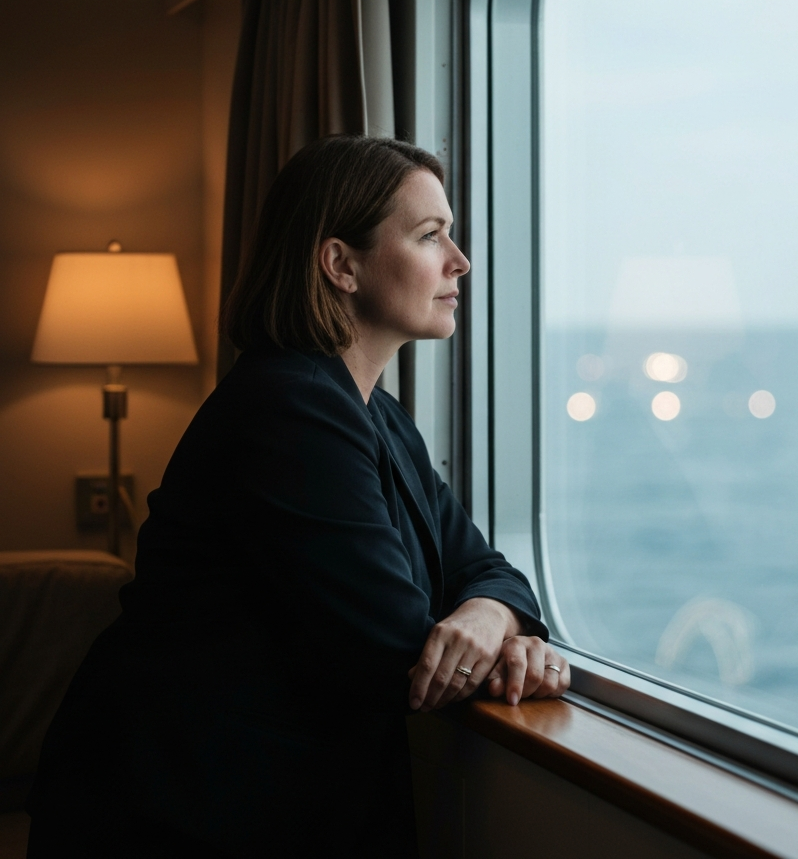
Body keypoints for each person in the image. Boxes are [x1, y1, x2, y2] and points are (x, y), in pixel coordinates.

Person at [26, 136, 569, 858]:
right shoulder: (288, 410)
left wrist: (487, 611)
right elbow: (401, 651)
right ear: (341, 264)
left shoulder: (377, 413)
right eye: (430, 235)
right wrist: (507, 646)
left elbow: (487, 567)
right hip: (182, 809)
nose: (459, 260)